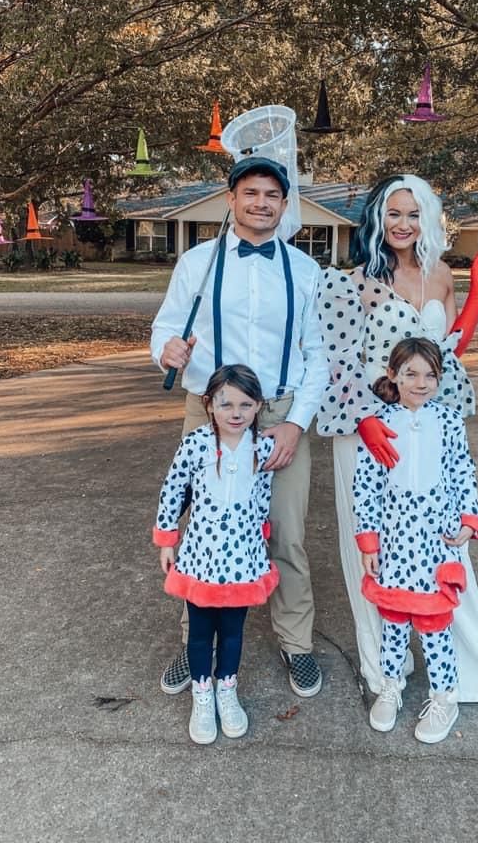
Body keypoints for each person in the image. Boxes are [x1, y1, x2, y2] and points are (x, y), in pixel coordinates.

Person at [317, 174, 478, 707]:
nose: (402, 225)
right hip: (367, 429)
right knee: (371, 546)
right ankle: (386, 670)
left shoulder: (440, 275)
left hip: (424, 426)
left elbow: (449, 352)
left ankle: (457, 667)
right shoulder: (354, 281)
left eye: (412, 214)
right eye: (392, 213)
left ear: (426, 219)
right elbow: (338, 363)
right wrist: (363, 422)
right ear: (377, 219)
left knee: (440, 545)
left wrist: (477, 293)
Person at [151, 156, 328, 699]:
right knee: (204, 530)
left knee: (287, 536)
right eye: (250, 192)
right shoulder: (198, 263)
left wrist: (296, 424)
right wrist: (167, 350)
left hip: (278, 413)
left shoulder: (305, 270)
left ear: (284, 203)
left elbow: (316, 354)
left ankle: (296, 643)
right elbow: (164, 325)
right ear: (231, 199)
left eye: (272, 195)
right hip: (209, 411)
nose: (261, 203)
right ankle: (194, 644)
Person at [354, 337, 478, 741]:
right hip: (394, 543)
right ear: (393, 375)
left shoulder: (449, 422)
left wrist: (469, 516)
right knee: (393, 620)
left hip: (436, 542)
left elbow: (462, 471)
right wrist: (369, 541)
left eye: (430, 375)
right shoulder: (379, 424)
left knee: (434, 623)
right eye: (411, 373)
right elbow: (366, 486)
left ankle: (444, 696)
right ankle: (390, 685)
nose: (421, 382)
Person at [154, 364, 276, 744]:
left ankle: (227, 688)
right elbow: (172, 490)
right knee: (201, 631)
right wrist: (167, 539)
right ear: (209, 405)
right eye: (226, 404)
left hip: (243, 557)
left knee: (234, 631)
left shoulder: (264, 447)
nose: (235, 412)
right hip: (201, 557)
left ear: (258, 406)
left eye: (245, 404)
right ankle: (202, 693)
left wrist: (262, 533)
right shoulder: (195, 444)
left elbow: (262, 497)